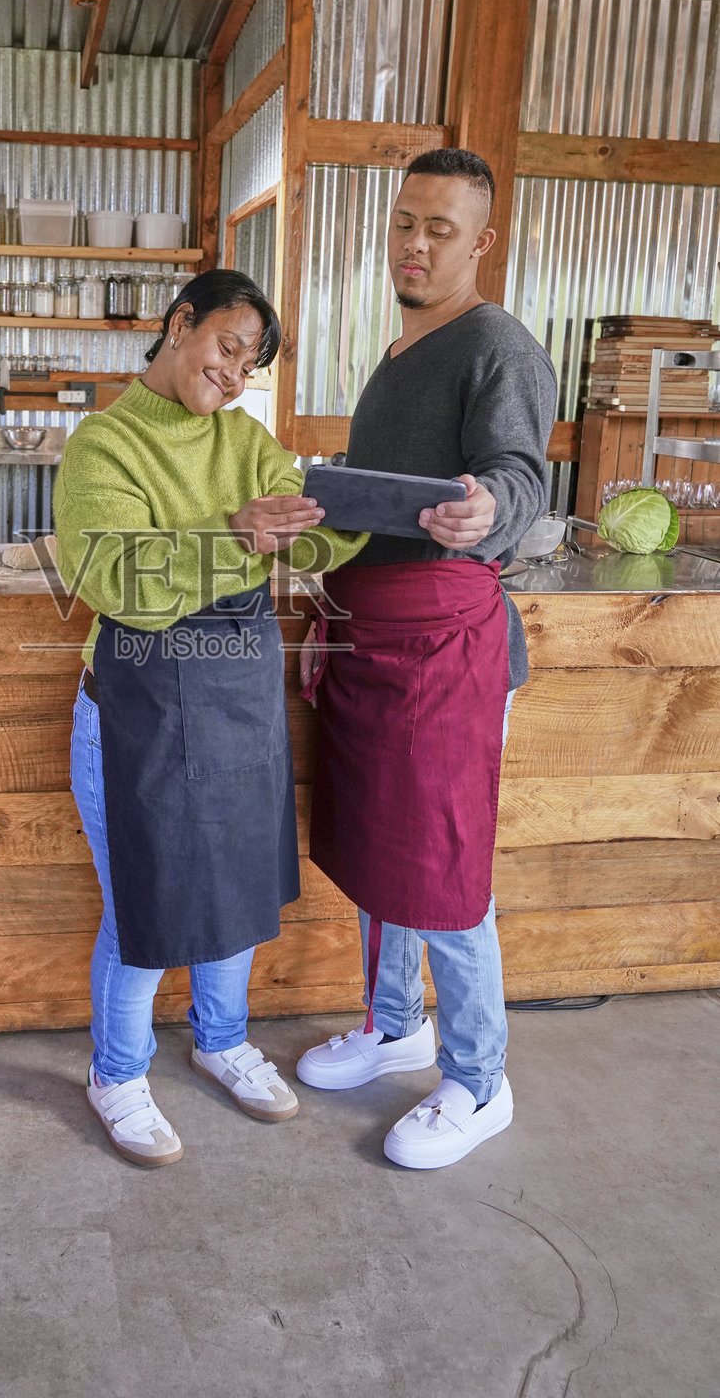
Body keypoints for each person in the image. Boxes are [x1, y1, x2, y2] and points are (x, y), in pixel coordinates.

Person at [54, 270, 367, 1168]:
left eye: (248, 366)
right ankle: (117, 1073)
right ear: (179, 323)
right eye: (226, 348)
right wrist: (237, 535)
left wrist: (366, 507)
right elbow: (118, 580)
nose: (231, 376)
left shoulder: (247, 439)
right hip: (135, 711)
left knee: (233, 887)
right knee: (144, 906)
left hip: (233, 705)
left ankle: (222, 1039)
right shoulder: (102, 445)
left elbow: (312, 538)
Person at [297, 148, 558, 1170]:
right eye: (404, 221)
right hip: (374, 636)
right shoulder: (401, 352)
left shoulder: (497, 347)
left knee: (445, 866)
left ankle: (477, 1078)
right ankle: (393, 1021)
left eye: (437, 228)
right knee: (380, 846)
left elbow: (516, 477)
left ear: (478, 241)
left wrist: (490, 506)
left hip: (447, 641)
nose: (412, 242)